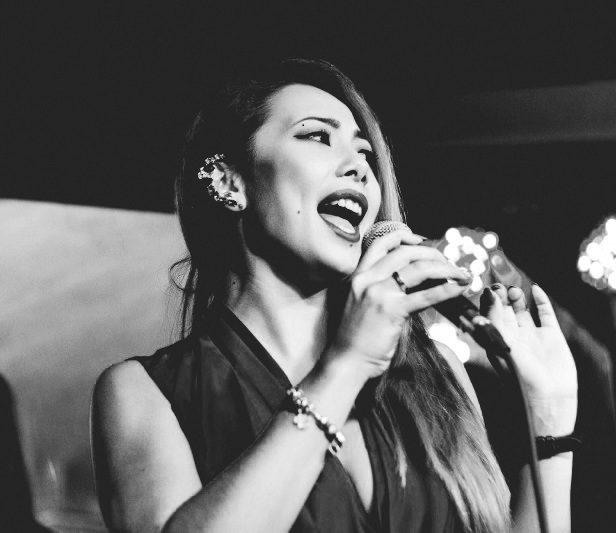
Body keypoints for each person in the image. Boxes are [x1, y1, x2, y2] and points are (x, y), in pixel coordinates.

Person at [90, 59, 577, 532]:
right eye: (317, 136)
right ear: (229, 180)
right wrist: (346, 366)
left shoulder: (435, 376)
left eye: (366, 154)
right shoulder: (144, 392)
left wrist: (549, 416)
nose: (359, 168)